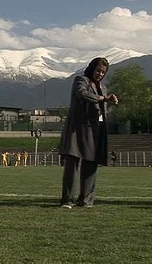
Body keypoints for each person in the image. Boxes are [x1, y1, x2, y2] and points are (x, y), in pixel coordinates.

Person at [59, 57, 118, 209]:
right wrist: (103, 99)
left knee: (91, 164)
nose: (100, 74)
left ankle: (86, 199)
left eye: (103, 72)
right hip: (77, 129)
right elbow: (82, 94)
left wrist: (109, 102)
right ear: (92, 68)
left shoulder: (103, 87)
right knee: (73, 163)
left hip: (95, 130)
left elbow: (101, 108)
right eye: (98, 70)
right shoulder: (81, 80)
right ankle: (68, 200)